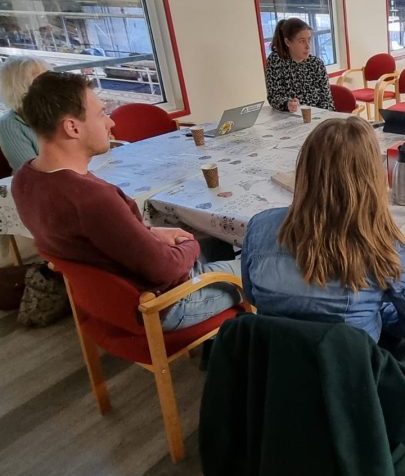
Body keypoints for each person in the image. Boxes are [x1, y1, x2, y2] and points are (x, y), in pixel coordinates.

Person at [12, 72, 241, 331]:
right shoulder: (92, 200)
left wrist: (150, 232)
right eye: (101, 114)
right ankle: (249, 339)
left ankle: (226, 336)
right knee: (272, 265)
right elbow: (163, 270)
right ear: (72, 127)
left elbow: (104, 238)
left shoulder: (25, 178)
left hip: (111, 302)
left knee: (218, 237)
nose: (110, 122)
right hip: (165, 303)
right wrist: (189, 245)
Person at [241, 117, 405, 348]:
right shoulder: (383, 244)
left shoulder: (258, 227)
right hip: (348, 378)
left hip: (273, 372)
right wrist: (381, 317)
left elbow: (252, 297)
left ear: (304, 170)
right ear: (372, 178)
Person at [264, 17, 334, 112]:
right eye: (301, 41)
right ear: (288, 42)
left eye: (309, 40)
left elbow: (327, 100)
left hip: (317, 117)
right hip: (290, 117)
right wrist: (287, 104)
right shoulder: (275, 61)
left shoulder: (316, 64)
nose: (308, 46)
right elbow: (274, 96)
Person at [0, 56, 50, 171]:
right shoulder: (9, 125)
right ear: (20, 87)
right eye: (43, 77)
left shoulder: (59, 111)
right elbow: (31, 173)